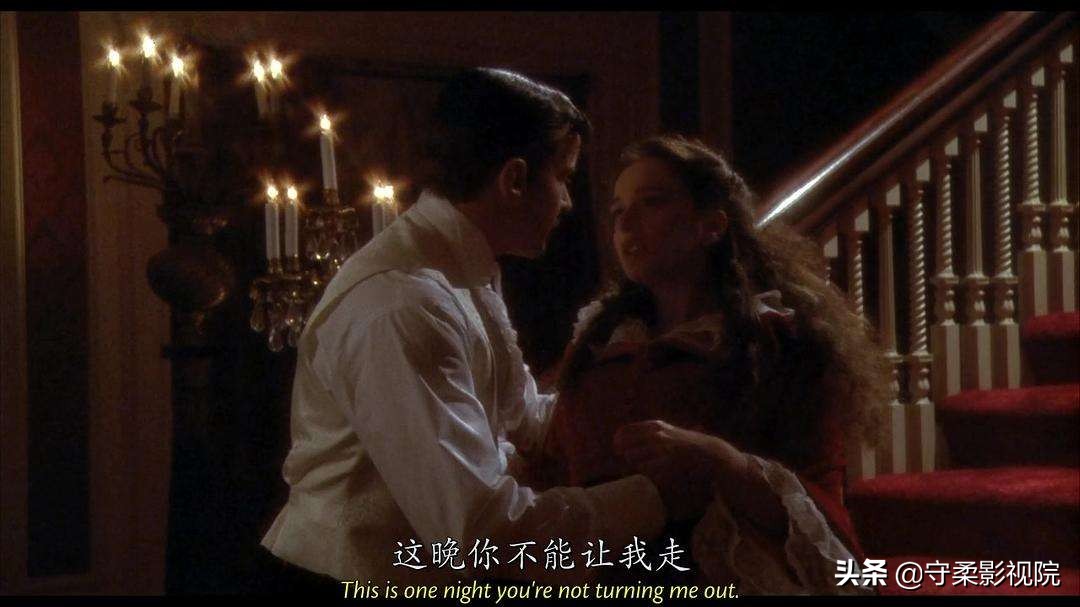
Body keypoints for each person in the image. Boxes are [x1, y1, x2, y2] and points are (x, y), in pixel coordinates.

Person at [259, 68, 672, 592]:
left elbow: (522, 417)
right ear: (514, 180)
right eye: (564, 177)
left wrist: (648, 412)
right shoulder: (405, 304)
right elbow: (478, 530)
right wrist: (654, 497)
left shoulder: (464, 270)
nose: (569, 202)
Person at [533, 135, 892, 594]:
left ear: (711, 225)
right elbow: (554, 469)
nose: (627, 223)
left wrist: (720, 462)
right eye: (618, 211)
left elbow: (819, 508)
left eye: (652, 202)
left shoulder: (779, 343)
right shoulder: (598, 345)